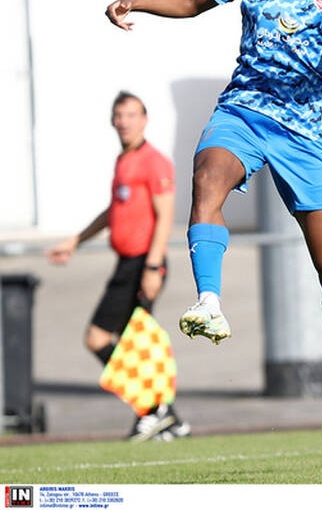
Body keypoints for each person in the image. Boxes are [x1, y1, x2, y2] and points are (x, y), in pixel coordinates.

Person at [103, 0, 322, 376]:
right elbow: (194, 1)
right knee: (207, 178)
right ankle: (209, 301)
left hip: (306, 134)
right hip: (244, 112)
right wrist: (137, 1)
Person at [47, 91, 190, 441]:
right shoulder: (124, 160)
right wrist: (76, 240)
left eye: (131, 115)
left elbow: (165, 216)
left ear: (145, 119)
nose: (124, 121)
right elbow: (114, 211)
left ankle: (154, 410)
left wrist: (153, 268)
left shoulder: (154, 161)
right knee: (131, 345)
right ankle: (168, 417)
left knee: (100, 338)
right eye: (119, 115)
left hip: (143, 264)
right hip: (127, 263)